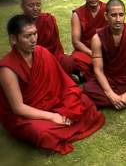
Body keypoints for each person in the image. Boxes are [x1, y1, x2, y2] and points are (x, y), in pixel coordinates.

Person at [0, 15, 105, 155]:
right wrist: (52, 116)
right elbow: (18, 108)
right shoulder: (7, 68)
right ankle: (51, 136)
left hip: (52, 103)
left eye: (35, 34)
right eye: (27, 36)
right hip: (27, 114)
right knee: (40, 131)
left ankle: (59, 129)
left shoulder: (42, 52)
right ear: (14, 39)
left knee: (85, 103)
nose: (33, 39)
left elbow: (65, 85)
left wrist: (64, 108)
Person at [83, 0, 126, 110]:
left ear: (125, 15)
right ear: (106, 16)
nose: (118, 19)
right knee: (88, 89)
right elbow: (98, 70)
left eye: (121, 15)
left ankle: (121, 101)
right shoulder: (97, 38)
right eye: (113, 15)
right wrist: (111, 95)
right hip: (110, 79)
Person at [20, 0, 77, 76]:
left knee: (68, 62)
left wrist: (48, 58)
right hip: (31, 59)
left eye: (38, 5)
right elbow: (19, 49)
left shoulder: (47, 19)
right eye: (31, 5)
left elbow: (54, 46)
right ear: (23, 7)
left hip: (51, 55)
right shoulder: (18, 24)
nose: (35, 8)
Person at [71, 0, 107, 80]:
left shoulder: (107, 10)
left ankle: (82, 74)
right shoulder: (77, 14)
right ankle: (89, 73)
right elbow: (76, 42)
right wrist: (93, 54)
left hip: (105, 49)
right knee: (74, 59)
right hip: (86, 51)